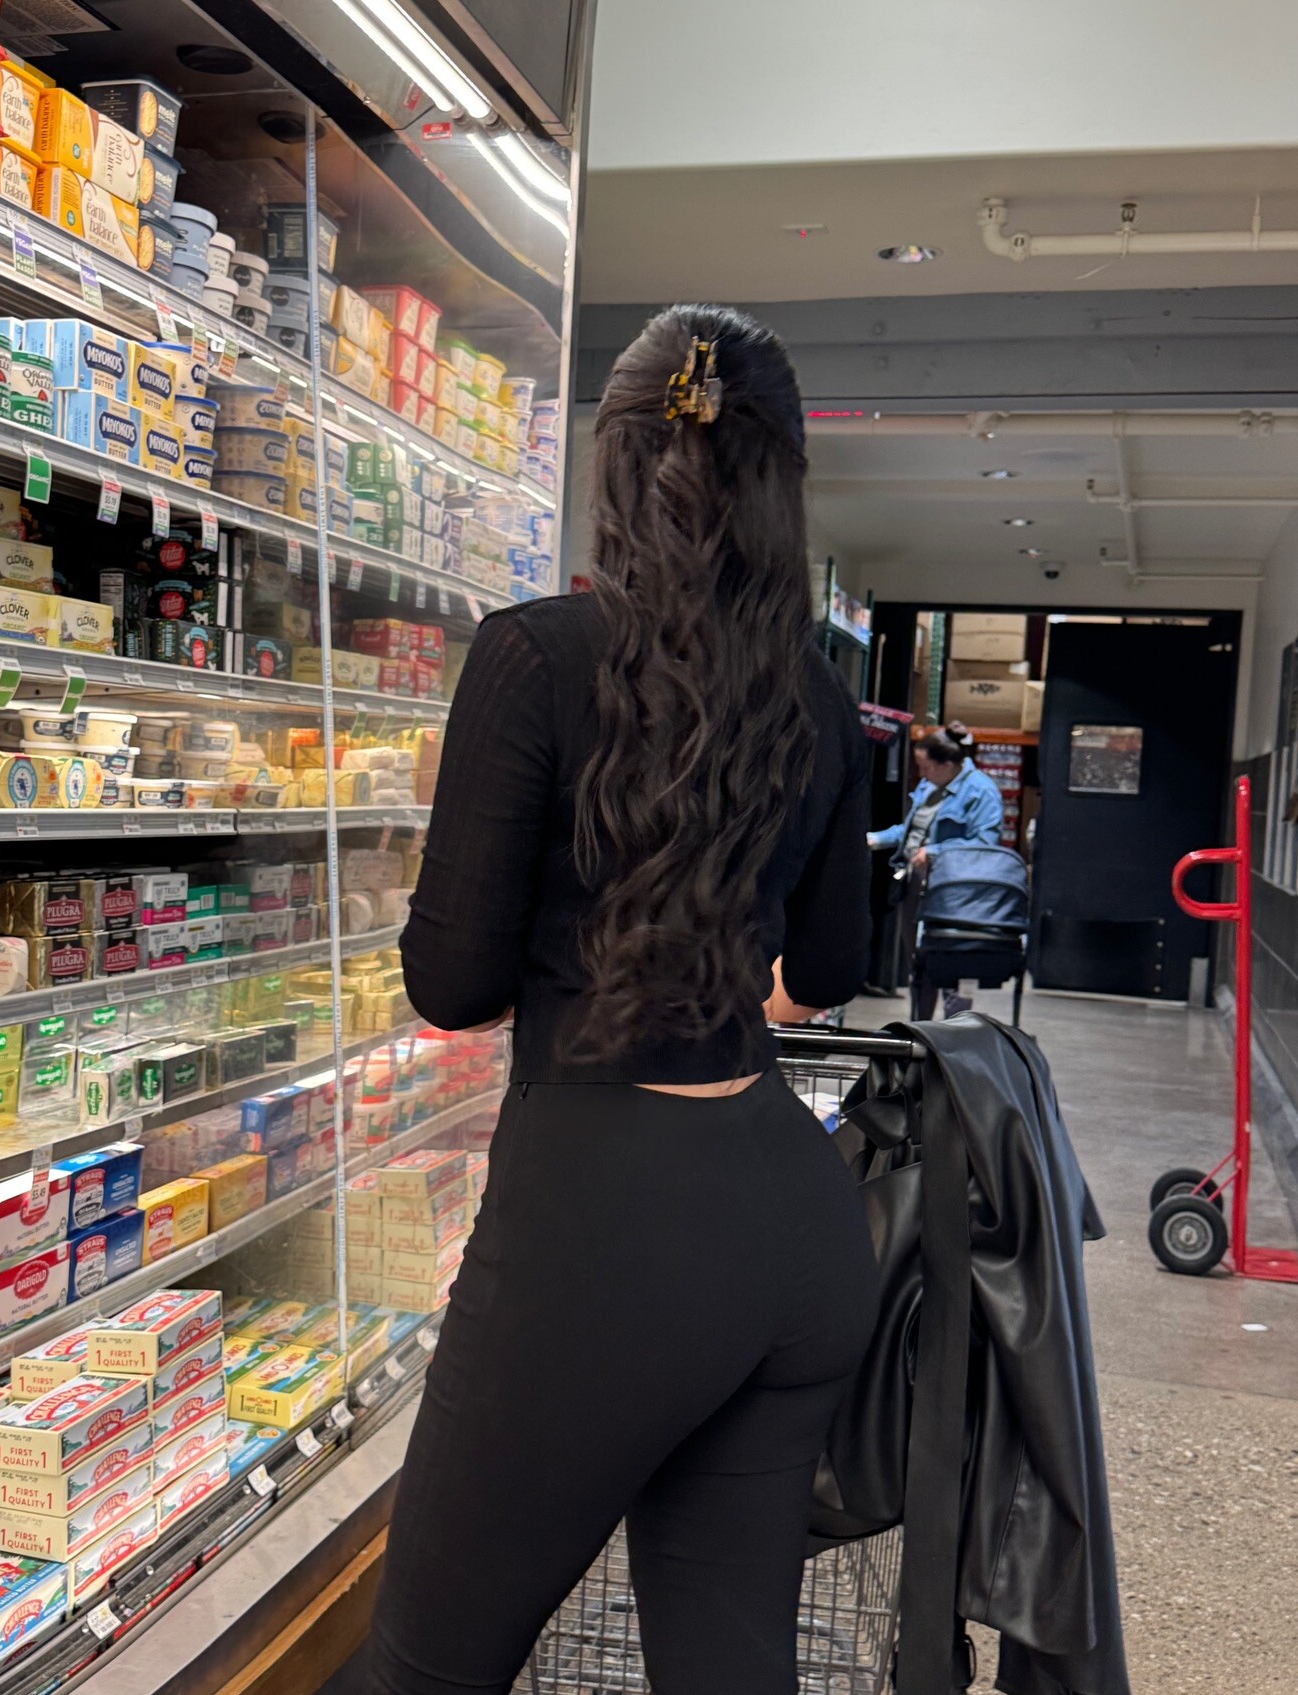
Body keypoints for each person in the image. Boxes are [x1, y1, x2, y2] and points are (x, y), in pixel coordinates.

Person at [365, 307, 881, 1695]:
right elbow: (831, 967)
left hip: (598, 1232)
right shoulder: (824, 700)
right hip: (792, 1224)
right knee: (729, 1666)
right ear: (780, 485)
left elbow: (453, 983)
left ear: (616, 460)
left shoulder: (535, 656)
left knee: (424, 1668)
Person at [867, 723, 1004, 875]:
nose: (922, 774)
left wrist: (934, 852)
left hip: (951, 880)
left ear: (947, 765)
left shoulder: (982, 791)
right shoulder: (929, 784)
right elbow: (915, 829)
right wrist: (876, 839)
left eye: (926, 768)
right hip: (914, 875)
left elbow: (985, 844)